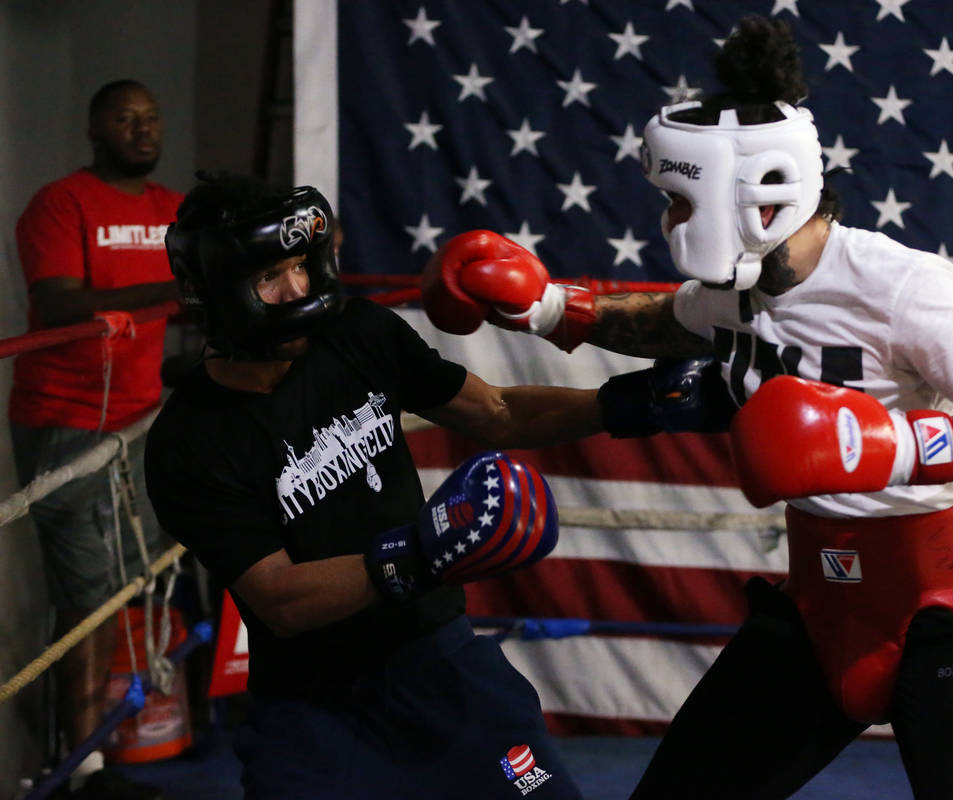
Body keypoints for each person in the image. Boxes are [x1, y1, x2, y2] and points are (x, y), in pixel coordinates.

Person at [420, 16, 953, 799]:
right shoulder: (739, 290)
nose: (669, 221)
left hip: (945, 603)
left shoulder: (898, 283)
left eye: (678, 202)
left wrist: (889, 446)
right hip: (820, 608)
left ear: (750, 200)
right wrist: (552, 309)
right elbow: (666, 320)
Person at [144, 172, 666, 798]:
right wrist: (418, 554)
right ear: (214, 291)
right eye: (269, 276)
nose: (298, 290)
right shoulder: (190, 440)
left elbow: (497, 412)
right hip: (316, 711)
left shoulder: (356, 334)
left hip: (438, 660)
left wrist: (629, 404)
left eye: (301, 265)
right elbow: (280, 599)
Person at [9, 79, 182, 798]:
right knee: (86, 591)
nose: (142, 130)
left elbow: (224, 264)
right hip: (66, 420)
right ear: (95, 128)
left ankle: (91, 757)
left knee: (118, 586)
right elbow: (58, 303)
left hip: (138, 419)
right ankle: (79, 769)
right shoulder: (60, 203)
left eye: (151, 118)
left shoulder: (172, 209)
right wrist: (173, 290)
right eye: (125, 119)